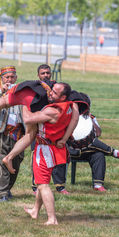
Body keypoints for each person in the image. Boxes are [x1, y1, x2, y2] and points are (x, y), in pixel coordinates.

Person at [23, 82, 75, 225]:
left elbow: (27, 119)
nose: (50, 93)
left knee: (42, 185)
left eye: (54, 93)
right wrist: (64, 139)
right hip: (56, 148)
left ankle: (52, 219)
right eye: (51, 90)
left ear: (63, 96)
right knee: (43, 182)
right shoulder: (72, 106)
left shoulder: (53, 111)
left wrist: (24, 102)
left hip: (45, 149)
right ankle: (35, 210)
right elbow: (75, 119)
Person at [67, 97, 119, 192]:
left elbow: (98, 133)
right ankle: (113, 152)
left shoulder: (90, 118)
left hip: (88, 150)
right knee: (94, 144)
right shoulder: (66, 116)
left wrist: (90, 121)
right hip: (70, 151)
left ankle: (98, 185)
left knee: (99, 154)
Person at [0, 66, 25, 202]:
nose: (9, 80)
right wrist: (2, 92)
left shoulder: (21, 92)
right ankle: (2, 192)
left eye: (12, 77)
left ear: (16, 78)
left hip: (19, 132)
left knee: (16, 160)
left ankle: (7, 188)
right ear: (2, 79)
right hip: (1, 131)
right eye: (6, 77)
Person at [31, 64, 70, 194]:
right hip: (39, 128)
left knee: (59, 159)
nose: (46, 75)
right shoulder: (35, 88)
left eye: (48, 73)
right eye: (43, 73)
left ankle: (60, 186)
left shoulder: (57, 88)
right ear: (38, 75)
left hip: (56, 129)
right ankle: (37, 186)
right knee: (37, 159)